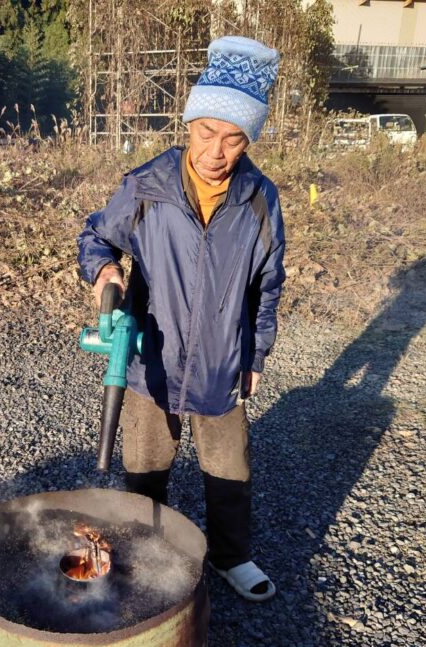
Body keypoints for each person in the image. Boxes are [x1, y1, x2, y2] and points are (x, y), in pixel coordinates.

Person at [77, 36, 286, 602]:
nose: (215, 150)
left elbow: (267, 286)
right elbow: (96, 236)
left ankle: (231, 557)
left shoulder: (260, 201)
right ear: (188, 123)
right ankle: (143, 553)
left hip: (223, 359)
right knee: (145, 465)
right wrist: (104, 274)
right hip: (151, 359)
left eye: (233, 137)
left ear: (250, 138)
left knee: (228, 467)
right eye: (205, 131)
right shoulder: (148, 186)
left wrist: (256, 355)